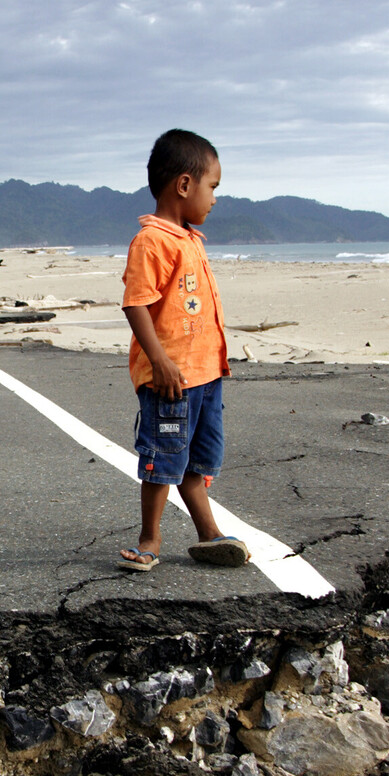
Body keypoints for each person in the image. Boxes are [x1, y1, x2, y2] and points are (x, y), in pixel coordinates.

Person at [116, 129, 250, 572]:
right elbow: (136, 303)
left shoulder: (190, 239)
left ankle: (209, 534)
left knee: (199, 460)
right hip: (171, 378)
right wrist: (159, 361)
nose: (214, 198)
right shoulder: (152, 241)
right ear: (185, 185)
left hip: (206, 375)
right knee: (162, 459)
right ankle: (149, 538)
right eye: (213, 187)